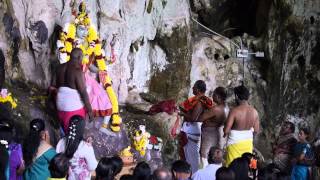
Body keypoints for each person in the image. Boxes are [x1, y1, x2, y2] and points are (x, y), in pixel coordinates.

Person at [186, 87, 227, 167]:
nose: (212, 96)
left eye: (214, 94)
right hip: (217, 132)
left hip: (209, 134)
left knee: (205, 156)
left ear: (218, 97)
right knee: (216, 156)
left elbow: (198, 119)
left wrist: (184, 114)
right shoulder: (226, 108)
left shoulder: (216, 109)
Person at [179, 80, 213, 173]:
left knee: (192, 160)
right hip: (192, 130)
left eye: (194, 87)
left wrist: (182, 113)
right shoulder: (198, 100)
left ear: (197, 89)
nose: (192, 88)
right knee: (189, 157)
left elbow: (193, 118)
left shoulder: (200, 102)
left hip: (193, 131)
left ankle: (194, 176)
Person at [56, 48, 93, 132]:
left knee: (66, 131)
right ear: (79, 57)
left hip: (59, 105)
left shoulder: (60, 67)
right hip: (72, 109)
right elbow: (83, 93)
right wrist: (90, 111)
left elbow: (57, 86)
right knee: (75, 132)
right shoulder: (77, 71)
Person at [223, 85, 260, 167]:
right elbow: (256, 130)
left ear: (236, 96)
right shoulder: (255, 112)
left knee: (232, 168)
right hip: (248, 143)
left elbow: (226, 131)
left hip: (234, 143)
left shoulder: (234, 111)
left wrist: (225, 130)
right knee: (246, 166)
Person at [56, 115, 98, 180]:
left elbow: (57, 158)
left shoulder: (61, 142)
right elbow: (92, 166)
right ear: (82, 129)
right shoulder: (86, 147)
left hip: (67, 176)